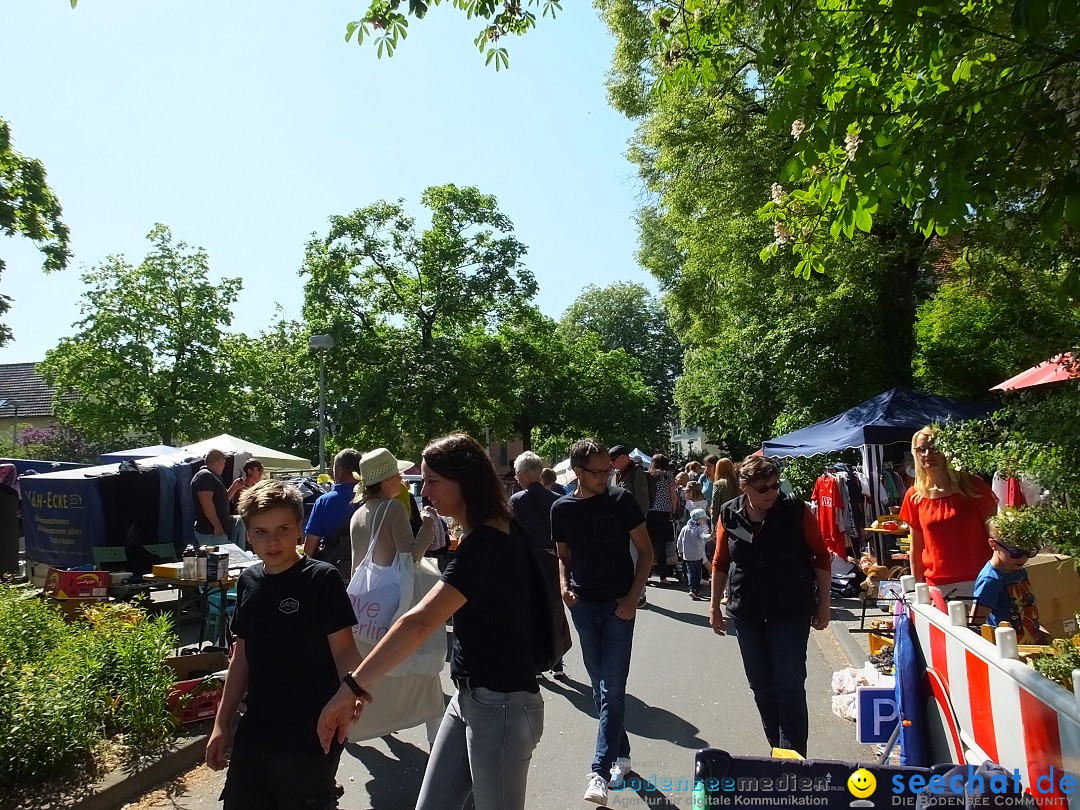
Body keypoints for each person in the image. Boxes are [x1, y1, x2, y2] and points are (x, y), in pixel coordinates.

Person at [318, 434, 544, 810]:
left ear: (466, 480)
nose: (424, 490)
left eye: (433, 481)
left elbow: (419, 622)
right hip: (470, 698)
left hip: (502, 705)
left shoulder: (487, 541)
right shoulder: (485, 532)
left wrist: (352, 686)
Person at [206, 479, 360, 810]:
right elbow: (241, 659)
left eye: (283, 529)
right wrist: (221, 725)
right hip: (255, 735)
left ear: (299, 529)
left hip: (312, 734)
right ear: (247, 534)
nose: (272, 540)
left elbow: (345, 650)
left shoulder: (322, 579)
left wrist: (351, 694)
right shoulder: (248, 581)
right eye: (260, 532)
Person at [551, 439, 653, 806]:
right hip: (583, 605)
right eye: (597, 471)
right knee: (599, 686)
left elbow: (646, 552)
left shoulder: (621, 501)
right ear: (577, 471)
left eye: (607, 470)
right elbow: (563, 555)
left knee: (612, 688)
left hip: (618, 608)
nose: (605, 476)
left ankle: (599, 770)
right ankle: (622, 756)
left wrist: (631, 598)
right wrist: (564, 587)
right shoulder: (561, 508)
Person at [709, 455, 832, 757]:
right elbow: (720, 561)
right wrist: (714, 606)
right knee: (761, 687)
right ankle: (777, 751)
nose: (771, 493)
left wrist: (824, 605)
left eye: (775, 486)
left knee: (788, 685)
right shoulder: (729, 513)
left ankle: (793, 758)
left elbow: (821, 556)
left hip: (790, 609)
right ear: (744, 486)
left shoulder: (795, 510)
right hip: (747, 610)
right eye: (763, 488)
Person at [347, 447, 443, 747]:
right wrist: (428, 526)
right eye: (397, 475)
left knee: (377, 676)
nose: (402, 479)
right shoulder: (393, 509)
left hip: (365, 609)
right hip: (394, 605)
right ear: (386, 479)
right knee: (423, 678)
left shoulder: (359, 513)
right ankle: (440, 752)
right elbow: (409, 559)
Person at [899, 426, 997, 609]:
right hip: (938, 588)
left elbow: (996, 535)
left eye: (935, 447)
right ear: (916, 454)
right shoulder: (914, 496)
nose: (928, 453)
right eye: (922, 449)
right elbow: (916, 546)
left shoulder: (973, 486)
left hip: (982, 580)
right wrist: (914, 590)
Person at [511, 452, 565, 678]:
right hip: (554, 559)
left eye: (516, 474)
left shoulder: (516, 501)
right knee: (555, 609)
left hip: (529, 562)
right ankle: (558, 661)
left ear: (523, 474)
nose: (516, 478)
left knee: (531, 610)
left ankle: (536, 663)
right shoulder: (555, 499)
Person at [970, 514, 1049, 644]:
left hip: (1031, 645)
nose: (1023, 558)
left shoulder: (1020, 571)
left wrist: (1046, 636)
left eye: (1029, 552)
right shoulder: (991, 580)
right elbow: (975, 625)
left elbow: (1028, 613)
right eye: (1015, 552)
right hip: (1009, 649)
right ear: (993, 544)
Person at [303, 449, 362, 581]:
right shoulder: (371, 499)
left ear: (340, 469)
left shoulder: (324, 502)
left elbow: (309, 549)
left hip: (336, 575)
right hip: (367, 575)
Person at [611, 444, 650, 608]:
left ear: (622, 457)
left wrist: (636, 524)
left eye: (613, 460)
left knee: (636, 558)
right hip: (619, 525)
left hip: (634, 525)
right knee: (624, 559)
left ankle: (640, 595)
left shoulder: (637, 472)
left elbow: (643, 501)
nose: (611, 463)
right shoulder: (617, 474)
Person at [646, 453, 679, 585]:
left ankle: (647, 575)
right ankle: (663, 577)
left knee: (648, 545)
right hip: (663, 512)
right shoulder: (668, 475)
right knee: (661, 546)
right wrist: (674, 509)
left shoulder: (648, 475)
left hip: (649, 511)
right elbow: (673, 495)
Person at [191, 449, 232, 549]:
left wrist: (234, 487)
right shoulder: (205, 476)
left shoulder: (212, 476)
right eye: (224, 463)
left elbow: (224, 500)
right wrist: (217, 526)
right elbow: (206, 503)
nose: (224, 466)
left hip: (214, 531)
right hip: (211, 532)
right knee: (218, 562)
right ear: (219, 461)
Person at [678, 508, 710, 599]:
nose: (704, 520)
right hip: (698, 555)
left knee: (691, 572)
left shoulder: (685, 528)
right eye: (703, 519)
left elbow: (679, 541)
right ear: (698, 519)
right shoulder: (698, 529)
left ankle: (692, 588)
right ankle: (695, 589)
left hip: (687, 555)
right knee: (697, 572)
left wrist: (680, 551)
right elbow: (704, 538)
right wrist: (711, 536)